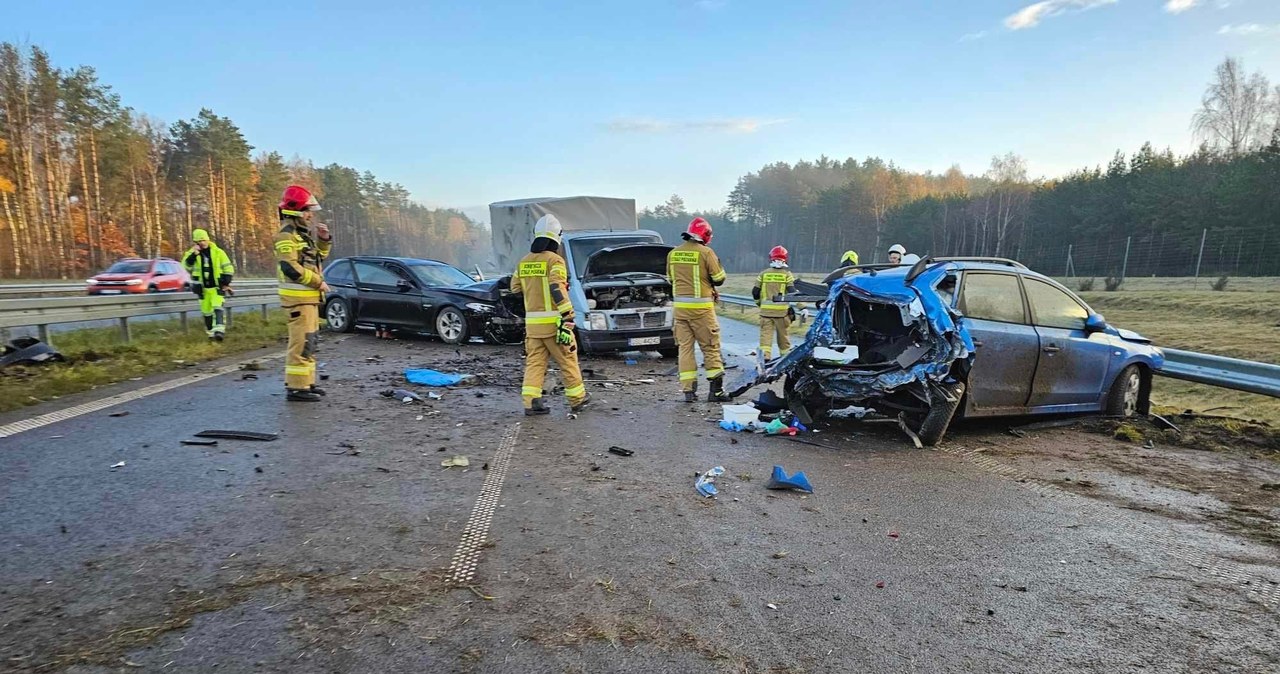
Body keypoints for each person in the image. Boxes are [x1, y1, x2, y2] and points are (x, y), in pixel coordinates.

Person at [510, 214, 589, 416]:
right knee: (567, 361)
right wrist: (568, 314)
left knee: (535, 364)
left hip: (533, 327)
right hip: (555, 324)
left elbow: (515, 289)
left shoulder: (524, 261)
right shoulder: (555, 260)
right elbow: (556, 287)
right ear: (557, 237)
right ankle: (577, 400)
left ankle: (531, 402)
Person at [273, 185, 331, 402]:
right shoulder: (286, 236)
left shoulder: (301, 235)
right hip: (298, 300)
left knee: (310, 342)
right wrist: (318, 283)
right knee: (300, 344)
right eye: (307, 210)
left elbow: (316, 260)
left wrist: (324, 240)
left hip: (309, 300)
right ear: (295, 211)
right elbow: (290, 268)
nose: (310, 215)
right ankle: (296, 388)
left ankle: (306, 383)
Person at [667, 217, 729, 402]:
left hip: (680, 311)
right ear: (706, 235)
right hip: (702, 310)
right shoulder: (706, 252)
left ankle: (688, 391)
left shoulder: (673, 253)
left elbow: (671, 279)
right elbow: (719, 278)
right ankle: (715, 392)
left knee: (685, 349)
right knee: (710, 347)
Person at [182, 229, 235, 341]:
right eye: (199, 241)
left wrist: (226, 282)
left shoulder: (218, 252)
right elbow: (185, 266)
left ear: (208, 239)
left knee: (218, 308)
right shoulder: (192, 253)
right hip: (202, 289)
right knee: (207, 312)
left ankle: (219, 331)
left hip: (216, 287)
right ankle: (211, 334)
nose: (202, 243)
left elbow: (228, 268)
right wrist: (194, 255)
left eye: (204, 240)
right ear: (195, 242)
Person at [753, 246, 797, 360]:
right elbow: (793, 292)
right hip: (782, 314)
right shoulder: (787, 275)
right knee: (783, 339)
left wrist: (759, 304)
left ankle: (765, 358)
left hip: (765, 313)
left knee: (765, 338)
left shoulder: (763, 274)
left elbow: (755, 292)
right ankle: (785, 360)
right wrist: (802, 307)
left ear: (771, 258)